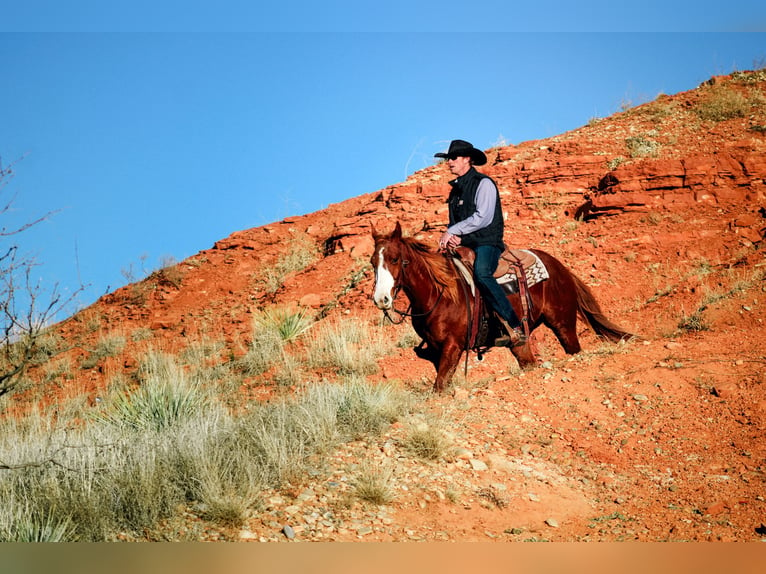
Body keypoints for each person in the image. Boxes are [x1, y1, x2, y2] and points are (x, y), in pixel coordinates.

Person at [435, 139, 526, 347]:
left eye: (453, 158)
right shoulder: (455, 190)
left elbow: (483, 217)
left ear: (467, 159)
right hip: (466, 243)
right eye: (448, 159)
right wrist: (453, 239)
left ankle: (514, 326)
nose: (449, 162)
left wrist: (453, 231)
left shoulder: (484, 183)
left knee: (482, 273)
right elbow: (456, 223)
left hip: (487, 242)